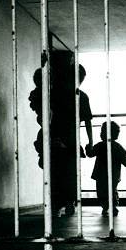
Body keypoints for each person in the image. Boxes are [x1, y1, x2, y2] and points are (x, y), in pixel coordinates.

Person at [29, 50, 94, 216]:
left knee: (57, 171)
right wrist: (90, 142)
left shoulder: (55, 93)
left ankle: (60, 203)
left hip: (57, 135)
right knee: (67, 172)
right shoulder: (80, 96)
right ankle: (67, 201)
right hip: (68, 137)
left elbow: (45, 116)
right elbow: (87, 121)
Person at [87, 121, 126, 216]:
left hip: (100, 174)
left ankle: (105, 206)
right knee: (112, 190)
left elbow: (90, 154)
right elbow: (124, 157)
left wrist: (88, 147)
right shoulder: (117, 146)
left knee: (101, 191)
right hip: (114, 174)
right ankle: (113, 206)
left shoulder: (100, 145)